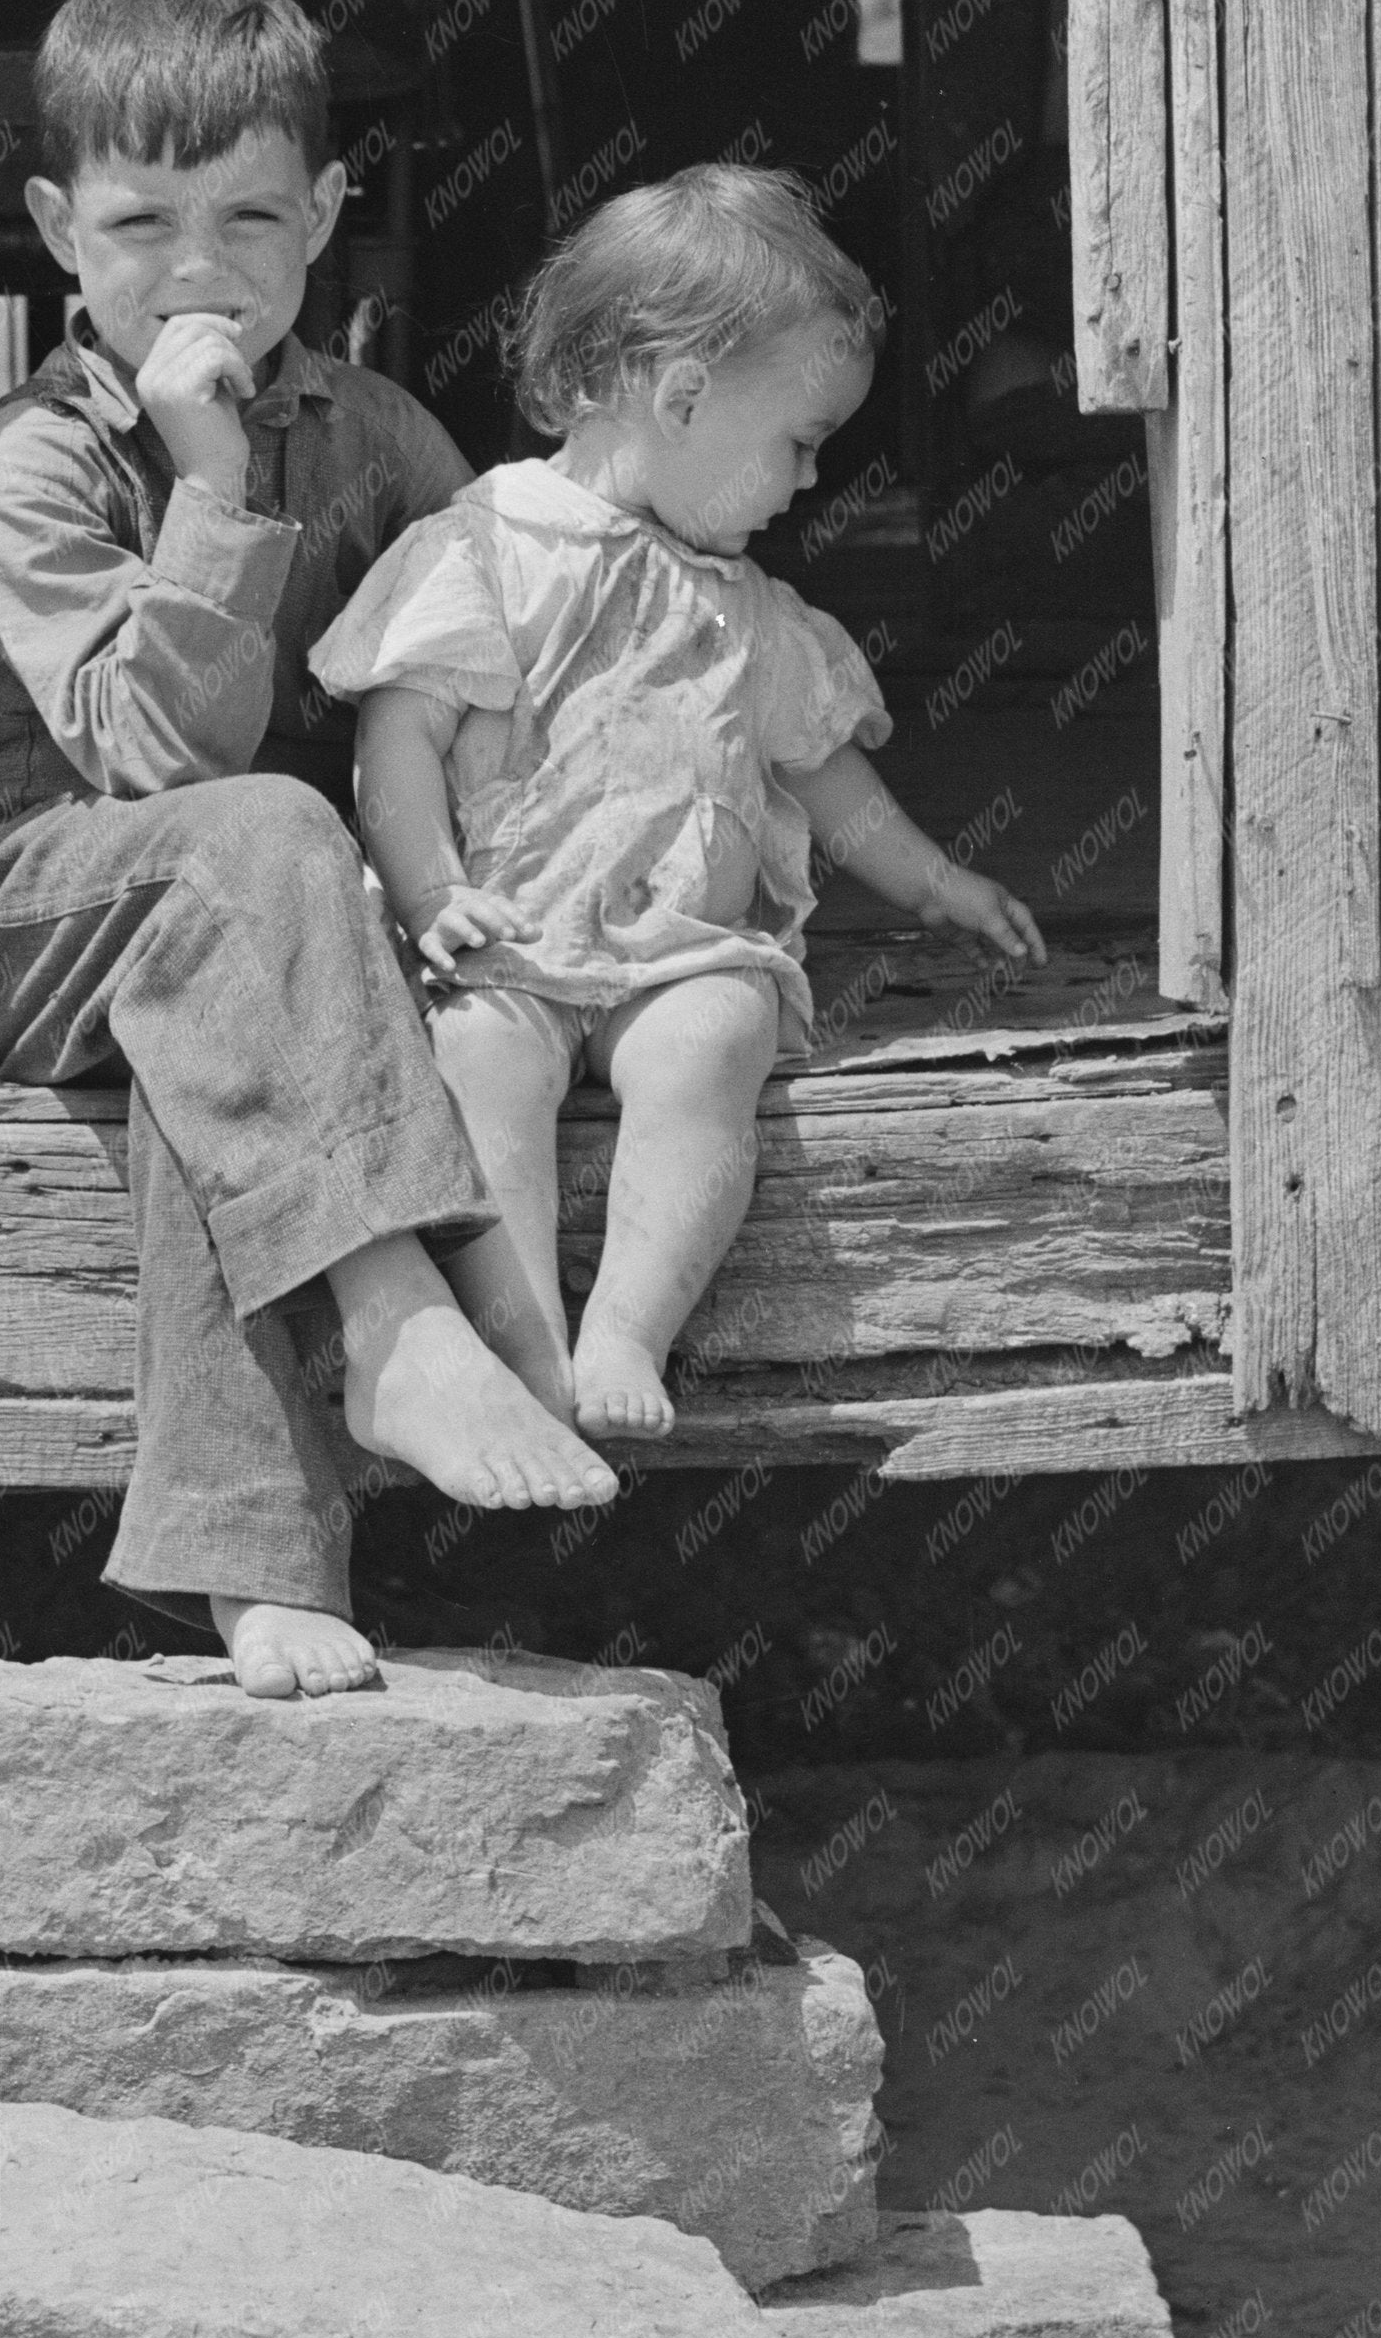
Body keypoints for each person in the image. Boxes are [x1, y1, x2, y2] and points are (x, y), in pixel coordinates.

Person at [0, 0, 617, 1703]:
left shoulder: (375, 433)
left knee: (205, 1070)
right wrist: (210, 477)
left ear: (327, 219)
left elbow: (507, 645)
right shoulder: (42, 463)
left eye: (251, 215)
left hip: (257, 925)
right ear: (61, 227)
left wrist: (513, 864)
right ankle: (409, 1316)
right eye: (143, 221)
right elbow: (153, 753)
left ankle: (254, 1565)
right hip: (38, 901)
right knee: (259, 831)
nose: (199, 266)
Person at [313, 160, 1050, 1437]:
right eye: (801, 443)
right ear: (686, 393)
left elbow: (824, 775)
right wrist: (432, 890)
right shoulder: (486, 545)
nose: (809, 481)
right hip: (509, 946)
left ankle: (625, 1334)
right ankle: (526, 1339)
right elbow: (400, 735)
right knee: (476, 1055)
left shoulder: (749, 613)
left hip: (677, 952)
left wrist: (934, 880)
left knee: (717, 1034)